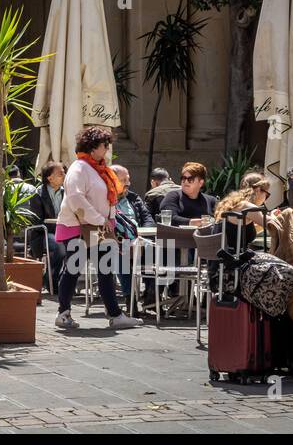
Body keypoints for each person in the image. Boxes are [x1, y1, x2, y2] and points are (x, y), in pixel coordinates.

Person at [53, 126, 143, 331]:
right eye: (105, 145)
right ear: (93, 147)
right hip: (79, 227)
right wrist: (98, 218)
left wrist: (107, 219)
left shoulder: (98, 168)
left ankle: (115, 314)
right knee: (73, 269)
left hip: (98, 227)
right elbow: (76, 197)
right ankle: (63, 313)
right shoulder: (80, 168)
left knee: (105, 270)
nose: (108, 149)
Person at [111, 163, 153, 301]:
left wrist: (143, 232)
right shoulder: (103, 200)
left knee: (156, 248)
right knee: (120, 252)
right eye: (124, 180)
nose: (128, 183)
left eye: (128, 179)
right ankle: (130, 298)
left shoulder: (133, 198)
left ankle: (151, 292)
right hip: (114, 241)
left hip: (138, 239)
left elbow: (148, 218)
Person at [25, 161, 66, 288]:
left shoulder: (67, 193)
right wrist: (56, 223)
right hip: (43, 234)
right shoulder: (37, 194)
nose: (65, 175)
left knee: (78, 247)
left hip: (65, 231)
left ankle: (64, 282)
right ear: (50, 178)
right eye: (61, 173)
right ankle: (51, 281)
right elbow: (36, 221)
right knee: (59, 247)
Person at [158, 162, 217, 226]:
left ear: (201, 183)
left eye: (190, 179)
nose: (185, 182)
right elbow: (169, 218)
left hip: (205, 235)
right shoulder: (173, 196)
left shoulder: (211, 201)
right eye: (183, 178)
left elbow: (221, 219)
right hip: (179, 235)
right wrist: (191, 222)